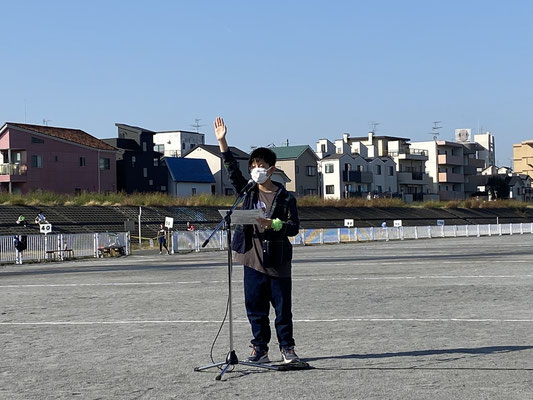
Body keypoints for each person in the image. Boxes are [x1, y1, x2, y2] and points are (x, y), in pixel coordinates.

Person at [214, 116, 301, 364]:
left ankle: (287, 348)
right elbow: (231, 172)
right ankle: (260, 348)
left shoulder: (286, 197)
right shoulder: (248, 192)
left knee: (282, 309)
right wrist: (223, 142)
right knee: (255, 308)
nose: (256, 169)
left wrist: (273, 224)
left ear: (271, 169)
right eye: (253, 165)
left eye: (261, 165)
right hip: (251, 259)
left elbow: (294, 227)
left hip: (277, 260)